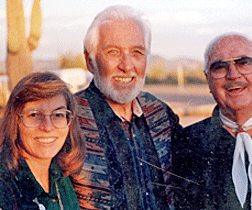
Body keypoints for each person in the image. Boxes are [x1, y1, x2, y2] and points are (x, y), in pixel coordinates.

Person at [71, 5, 181, 210]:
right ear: (89, 61)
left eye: (137, 52)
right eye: (113, 52)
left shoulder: (160, 113)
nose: (127, 65)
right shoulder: (66, 119)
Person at [172, 32, 252, 210]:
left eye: (244, 63)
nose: (233, 75)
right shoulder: (185, 144)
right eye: (220, 67)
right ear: (208, 80)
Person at [0, 72, 85, 209]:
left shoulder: (61, 178)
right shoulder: (5, 188)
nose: (48, 127)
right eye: (34, 115)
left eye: (58, 114)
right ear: (15, 121)